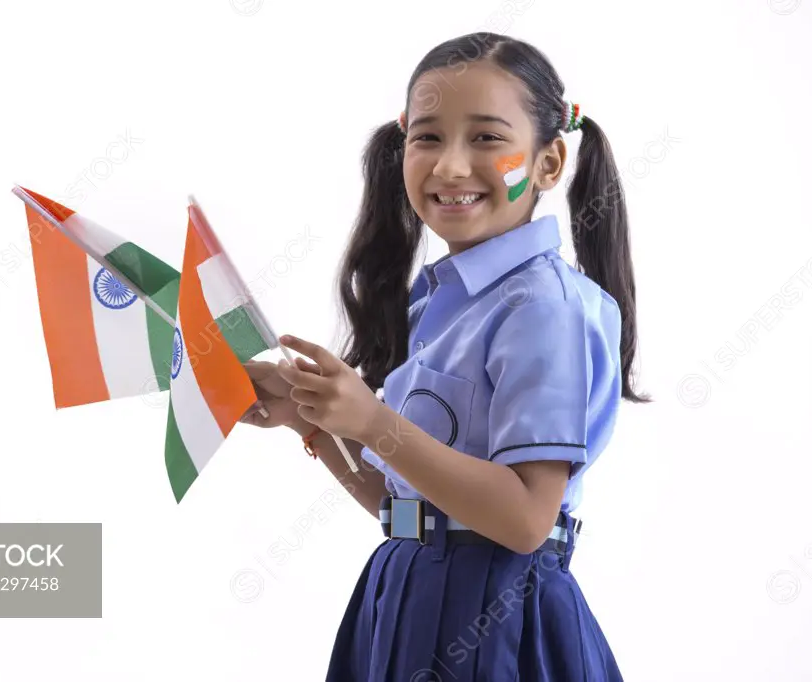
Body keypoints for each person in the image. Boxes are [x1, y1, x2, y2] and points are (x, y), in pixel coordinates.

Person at [240, 30, 648, 682]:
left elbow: (521, 520)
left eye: (487, 138)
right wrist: (312, 420)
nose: (451, 166)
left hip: (494, 619)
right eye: (428, 137)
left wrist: (372, 422)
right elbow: (403, 507)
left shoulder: (541, 307)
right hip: (405, 597)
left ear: (548, 163)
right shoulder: (435, 305)